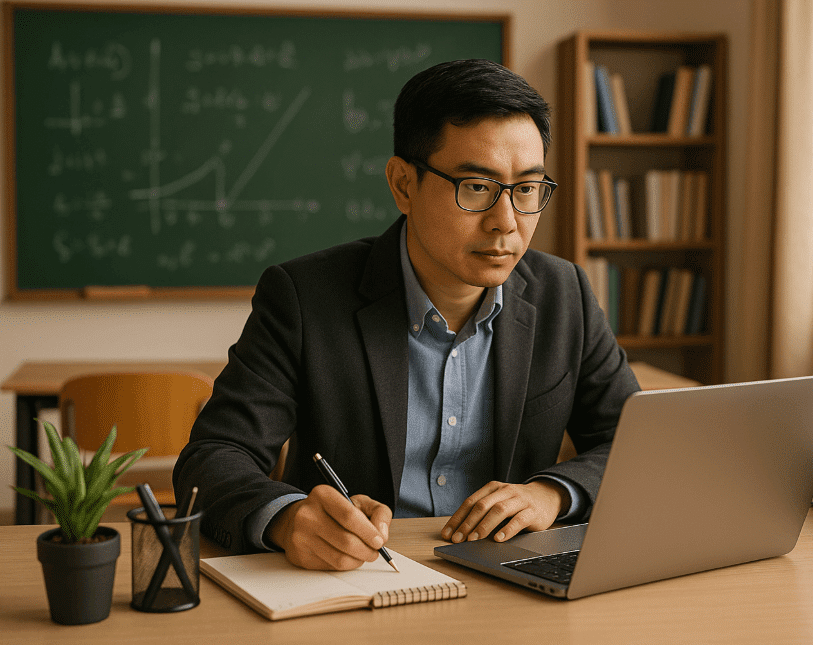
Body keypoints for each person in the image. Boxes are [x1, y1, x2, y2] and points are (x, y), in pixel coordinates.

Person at [173, 59, 639, 571]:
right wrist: (286, 519)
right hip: (361, 579)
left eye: (526, 189)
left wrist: (552, 494)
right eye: (477, 188)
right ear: (403, 185)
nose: (505, 223)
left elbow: (639, 441)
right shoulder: (306, 297)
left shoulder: (563, 294)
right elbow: (212, 457)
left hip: (513, 577)